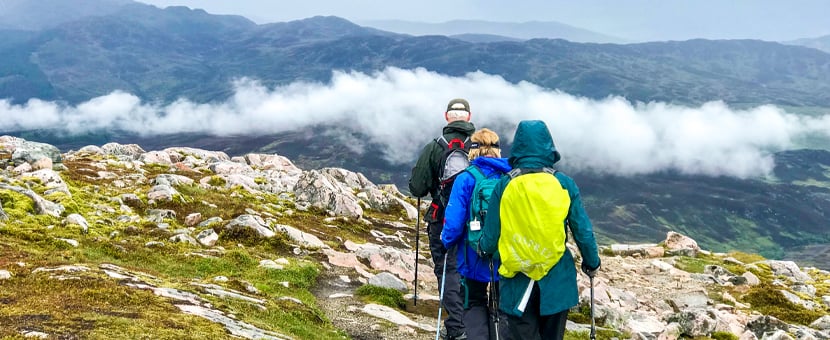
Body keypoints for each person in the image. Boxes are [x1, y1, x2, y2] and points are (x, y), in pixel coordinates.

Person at [478, 120, 601, 340]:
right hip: (556, 282)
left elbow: (492, 233)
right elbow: (582, 230)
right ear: (548, 146)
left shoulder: (505, 184)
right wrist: (592, 262)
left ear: (518, 147)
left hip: (517, 280)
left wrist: (484, 249)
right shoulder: (563, 183)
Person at [409, 98, 474, 340]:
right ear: (468, 117)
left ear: (447, 117)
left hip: (441, 218)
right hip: (474, 220)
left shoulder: (435, 147)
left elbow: (417, 188)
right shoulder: (478, 147)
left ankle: (457, 328)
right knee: (472, 271)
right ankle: (477, 323)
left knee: (447, 270)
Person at [441, 128, 511, 340]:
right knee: (502, 305)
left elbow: (453, 223)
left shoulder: (466, 178)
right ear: (498, 150)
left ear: (472, 150)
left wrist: (446, 241)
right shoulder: (510, 177)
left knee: (473, 302)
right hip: (505, 254)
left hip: (473, 253)